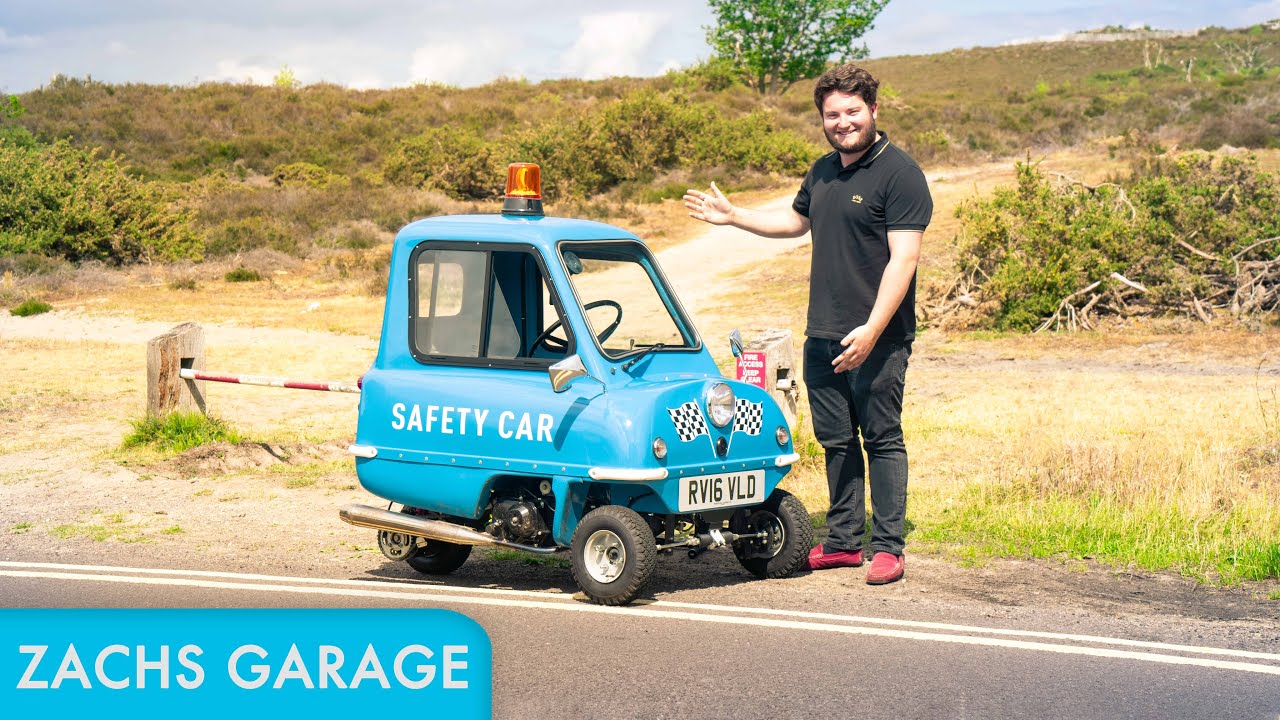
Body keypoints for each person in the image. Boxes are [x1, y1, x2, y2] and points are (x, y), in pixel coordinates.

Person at [683, 63, 931, 585]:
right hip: (822, 333)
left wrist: (871, 331)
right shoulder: (821, 171)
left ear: (874, 111)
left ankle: (887, 548)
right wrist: (735, 217)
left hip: (877, 338)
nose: (843, 122)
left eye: (852, 112)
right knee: (836, 440)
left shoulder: (900, 173)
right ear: (822, 118)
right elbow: (796, 222)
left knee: (881, 438)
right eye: (833, 114)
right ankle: (843, 542)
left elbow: (903, 261)